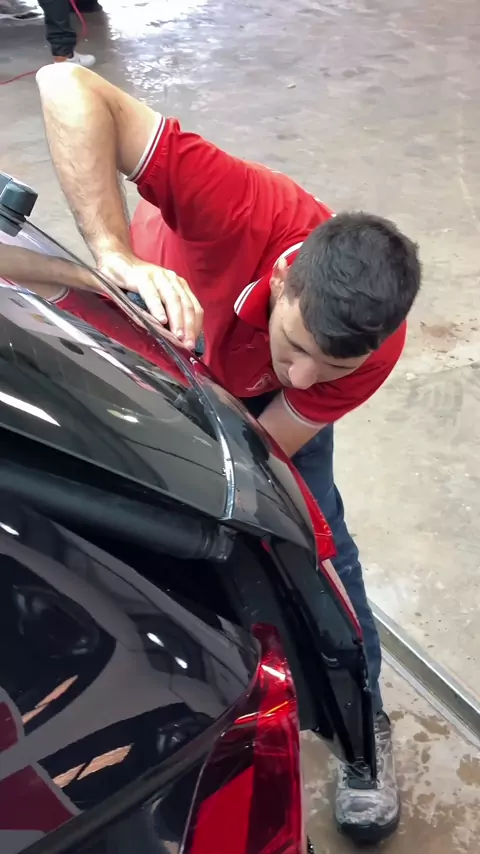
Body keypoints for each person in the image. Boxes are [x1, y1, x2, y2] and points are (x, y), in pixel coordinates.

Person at [35, 63, 421, 844]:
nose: (304, 375)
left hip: (242, 403)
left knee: (313, 542)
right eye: (298, 345)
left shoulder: (367, 350)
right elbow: (63, 84)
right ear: (282, 277)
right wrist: (114, 253)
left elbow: (265, 449)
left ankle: (361, 728)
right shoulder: (241, 204)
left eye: (331, 367)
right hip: (155, 362)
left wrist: (262, 422)